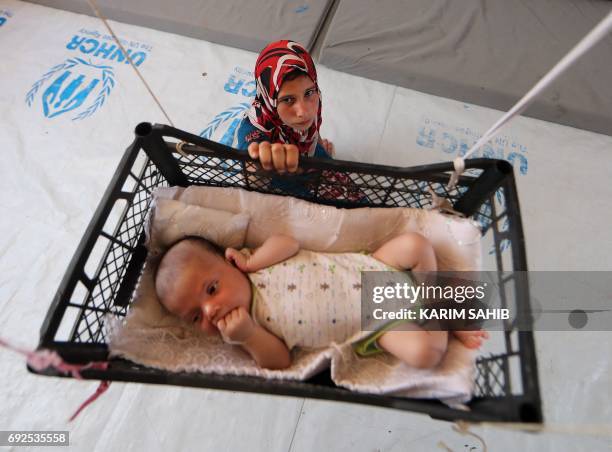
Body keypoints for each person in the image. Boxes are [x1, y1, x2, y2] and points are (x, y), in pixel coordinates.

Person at [154, 234, 488, 370]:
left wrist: (253, 261)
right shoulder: (245, 330)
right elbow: (280, 362)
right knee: (424, 353)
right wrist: (249, 337)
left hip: (373, 266)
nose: (210, 311)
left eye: (211, 290)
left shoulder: (256, 264)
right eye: (196, 317)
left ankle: (430, 291)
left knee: (415, 244)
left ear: (230, 262)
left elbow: (288, 242)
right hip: (378, 325)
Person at [234, 39, 334, 174]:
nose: (303, 112)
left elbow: (313, 128)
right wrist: (262, 165)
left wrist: (319, 147)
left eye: (308, 93)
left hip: (310, 159)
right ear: (270, 100)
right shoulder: (254, 128)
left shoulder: (315, 97)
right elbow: (252, 176)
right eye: (288, 100)